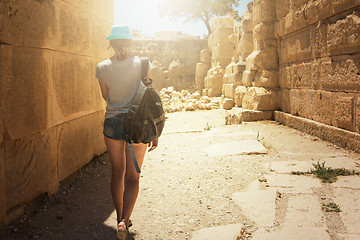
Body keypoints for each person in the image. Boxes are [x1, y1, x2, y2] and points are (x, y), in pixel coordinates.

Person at [95, 25, 158, 240]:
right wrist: (155, 131)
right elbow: (149, 99)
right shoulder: (144, 63)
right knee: (133, 177)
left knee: (117, 172)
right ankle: (124, 221)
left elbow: (106, 97)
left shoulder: (102, 67)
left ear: (111, 43)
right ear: (129, 42)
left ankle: (119, 217)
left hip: (113, 123)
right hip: (138, 124)